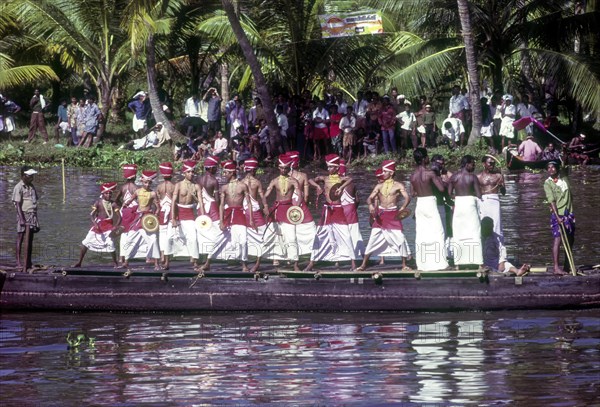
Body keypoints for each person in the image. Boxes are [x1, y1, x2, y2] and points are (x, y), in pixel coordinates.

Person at [357, 160, 412, 271]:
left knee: (400, 239)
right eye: (383, 171)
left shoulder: (398, 185)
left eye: (385, 171)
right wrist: (370, 206)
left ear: (391, 173)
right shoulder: (379, 186)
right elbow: (369, 198)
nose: (383, 173)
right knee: (373, 239)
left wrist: (402, 207)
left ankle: (404, 265)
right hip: (381, 216)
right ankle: (363, 265)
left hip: (393, 215)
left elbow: (407, 197)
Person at [304, 154, 356, 271]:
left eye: (331, 167)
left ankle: (353, 263)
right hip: (327, 210)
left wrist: (341, 187)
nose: (329, 169)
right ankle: (312, 262)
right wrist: (318, 186)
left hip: (338, 209)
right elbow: (310, 180)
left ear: (337, 168)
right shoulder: (325, 178)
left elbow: (350, 179)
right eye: (328, 167)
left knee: (346, 235)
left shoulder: (340, 179)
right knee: (320, 235)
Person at [202, 160, 255, 271]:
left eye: (226, 172)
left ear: (232, 173)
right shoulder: (224, 188)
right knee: (219, 238)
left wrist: (251, 219)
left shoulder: (243, 186)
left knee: (243, 240)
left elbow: (249, 203)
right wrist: (221, 221)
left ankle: (244, 264)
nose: (224, 175)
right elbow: (221, 205)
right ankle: (208, 262)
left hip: (240, 215)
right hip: (227, 215)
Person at [262, 153, 303, 270]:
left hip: (289, 210)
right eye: (281, 168)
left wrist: (297, 207)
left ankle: (295, 263)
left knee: (292, 236)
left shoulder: (294, 181)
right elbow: (265, 195)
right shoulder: (274, 181)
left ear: (289, 167)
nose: (283, 170)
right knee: (275, 236)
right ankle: (277, 258)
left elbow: (299, 196)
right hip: (277, 210)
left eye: (286, 168)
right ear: (278, 167)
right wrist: (265, 207)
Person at [410, 148, 449, 271]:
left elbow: (413, 193)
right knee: (438, 232)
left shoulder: (413, 176)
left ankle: (422, 263)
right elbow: (441, 189)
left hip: (420, 203)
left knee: (422, 233)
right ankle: (441, 263)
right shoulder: (430, 173)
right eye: (427, 156)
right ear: (424, 159)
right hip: (430, 202)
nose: (428, 158)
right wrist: (444, 182)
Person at [72, 182, 121, 268]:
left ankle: (115, 263)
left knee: (110, 243)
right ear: (103, 194)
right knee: (85, 242)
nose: (109, 194)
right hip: (98, 225)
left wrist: (115, 227)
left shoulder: (113, 204)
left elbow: (120, 218)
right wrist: (95, 224)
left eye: (110, 193)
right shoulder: (98, 203)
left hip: (109, 226)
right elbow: (91, 215)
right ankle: (79, 262)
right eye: (107, 193)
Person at [121, 170, 161, 269]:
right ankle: (126, 261)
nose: (147, 184)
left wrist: (155, 215)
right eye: (145, 182)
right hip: (138, 217)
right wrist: (125, 205)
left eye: (149, 183)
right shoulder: (138, 191)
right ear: (142, 182)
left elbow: (158, 207)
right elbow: (130, 200)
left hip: (148, 219)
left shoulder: (153, 193)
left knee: (153, 239)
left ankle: (156, 263)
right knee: (131, 237)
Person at [448, 155, 483, 267]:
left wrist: (457, 198)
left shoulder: (454, 177)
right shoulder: (472, 177)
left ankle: (458, 263)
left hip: (458, 204)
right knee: (474, 231)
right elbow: (479, 195)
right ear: (467, 164)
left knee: (459, 232)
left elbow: (449, 194)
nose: (474, 166)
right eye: (473, 164)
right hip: (470, 203)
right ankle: (478, 262)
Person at [543, 161, 574, 275]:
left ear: (557, 168)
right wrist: (557, 217)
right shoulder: (548, 183)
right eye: (548, 168)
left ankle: (567, 265)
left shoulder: (564, 178)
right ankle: (556, 268)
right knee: (558, 240)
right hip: (558, 214)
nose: (551, 169)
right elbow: (551, 201)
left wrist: (565, 151)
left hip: (569, 213)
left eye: (553, 167)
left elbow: (565, 163)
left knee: (570, 239)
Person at [170, 160, 203, 268]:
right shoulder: (178, 185)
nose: (191, 174)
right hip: (179, 213)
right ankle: (165, 261)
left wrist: (202, 218)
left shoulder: (196, 186)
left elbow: (201, 203)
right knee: (169, 238)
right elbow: (173, 202)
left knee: (193, 238)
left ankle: (194, 260)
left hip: (190, 214)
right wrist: (173, 218)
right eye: (188, 172)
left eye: (192, 172)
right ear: (184, 173)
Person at [241, 158, 269, 272]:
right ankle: (257, 263)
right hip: (255, 212)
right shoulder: (257, 182)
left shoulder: (240, 182)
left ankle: (244, 265)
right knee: (263, 236)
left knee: (244, 238)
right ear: (254, 170)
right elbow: (262, 196)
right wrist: (266, 206)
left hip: (244, 211)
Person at [288, 151, 317, 258]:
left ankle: (290, 254)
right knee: (309, 228)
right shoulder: (303, 175)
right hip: (300, 205)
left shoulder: (284, 177)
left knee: (290, 229)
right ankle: (310, 251)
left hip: (288, 205)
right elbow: (306, 196)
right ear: (298, 163)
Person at [12, 166, 40, 270]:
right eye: (30, 176)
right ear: (23, 176)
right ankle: (18, 262)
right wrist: (22, 219)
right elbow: (18, 204)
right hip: (23, 214)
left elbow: (34, 202)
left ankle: (28, 261)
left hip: (32, 215)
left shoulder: (31, 187)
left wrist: (36, 219)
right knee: (20, 238)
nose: (32, 178)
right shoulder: (18, 187)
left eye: (32, 176)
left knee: (30, 239)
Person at [477, 155, 506, 249]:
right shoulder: (478, 177)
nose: (492, 165)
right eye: (490, 163)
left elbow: (504, 193)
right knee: (483, 223)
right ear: (484, 164)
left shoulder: (498, 176)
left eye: (493, 163)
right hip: (483, 201)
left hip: (494, 201)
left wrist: (502, 185)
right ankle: (484, 249)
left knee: (497, 225)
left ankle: (499, 249)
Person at [339, 159, 365, 262]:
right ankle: (363, 257)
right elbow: (357, 200)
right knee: (355, 234)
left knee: (341, 235)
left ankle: (340, 259)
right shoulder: (352, 184)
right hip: (352, 210)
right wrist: (354, 209)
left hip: (341, 212)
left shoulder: (335, 183)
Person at [114, 164, 139, 266]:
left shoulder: (122, 188)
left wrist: (122, 206)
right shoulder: (137, 188)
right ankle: (145, 256)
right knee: (135, 233)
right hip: (134, 212)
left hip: (124, 211)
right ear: (134, 176)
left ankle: (121, 258)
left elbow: (116, 200)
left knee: (123, 234)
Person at [156, 162, 176, 269]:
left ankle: (162, 255)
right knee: (169, 235)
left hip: (162, 212)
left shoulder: (159, 187)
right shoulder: (174, 186)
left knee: (162, 234)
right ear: (171, 174)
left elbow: (158, 201)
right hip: (171, 212)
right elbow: (175, 202)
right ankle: (167, 258)